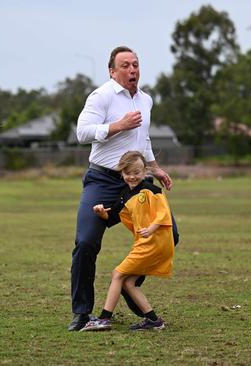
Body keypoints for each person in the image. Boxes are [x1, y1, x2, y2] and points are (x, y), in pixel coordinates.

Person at [69, 46, 178, 331]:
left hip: (136, 180)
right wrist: (117, 126)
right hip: (102, 180)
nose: (132, 70)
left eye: (136, 64)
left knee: (169, 234)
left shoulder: (146, 100)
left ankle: (128, 285)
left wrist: (155, 168)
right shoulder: (101, 96)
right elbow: (82, 132)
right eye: (125, 65)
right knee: (86, 242)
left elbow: (144, 139)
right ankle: (82, 313)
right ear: (112, 70)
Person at [80, 151, 174, 332]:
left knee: (117, 274)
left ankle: (104, 319)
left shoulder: (152, 190)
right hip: (145, 242)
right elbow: (113, 216)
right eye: (127, 173)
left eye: (137, 172)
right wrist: (100, 212)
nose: (132, 177)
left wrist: (151, 228)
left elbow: (164, 214)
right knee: (127, 282)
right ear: (121, 173)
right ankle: (153, 321)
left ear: (145, 171)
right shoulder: (125, 194)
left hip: (154, 242)